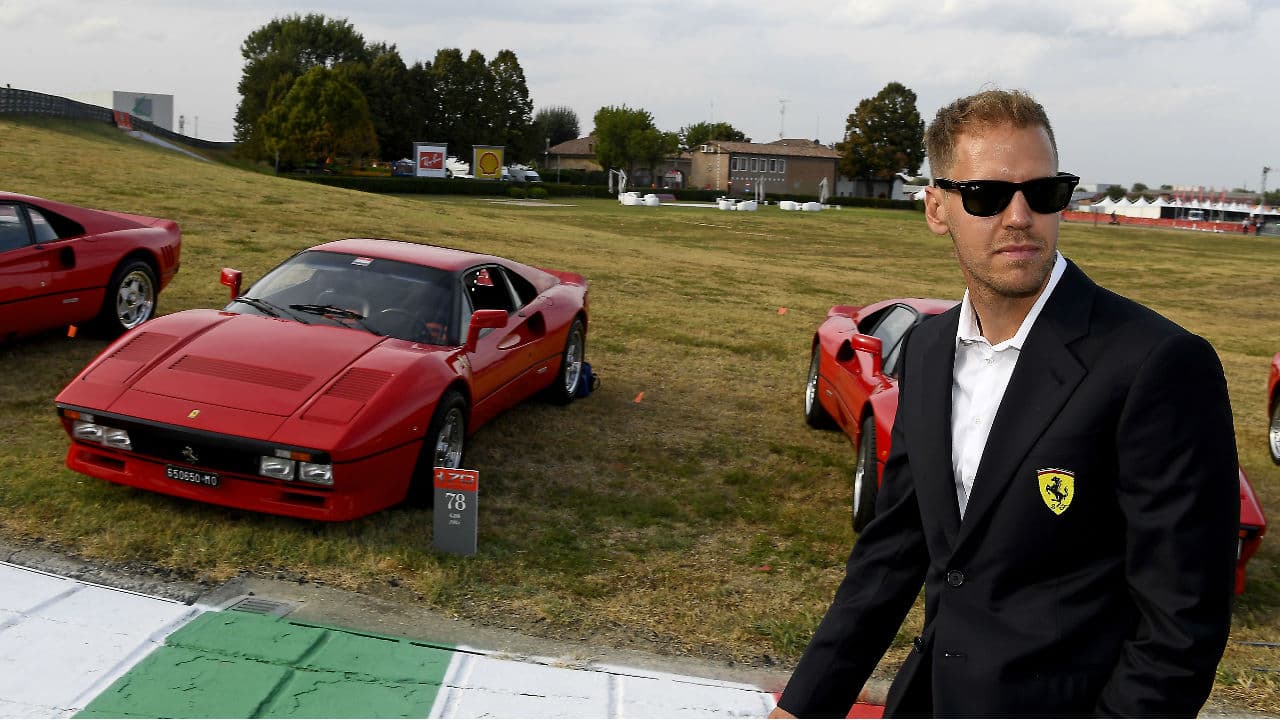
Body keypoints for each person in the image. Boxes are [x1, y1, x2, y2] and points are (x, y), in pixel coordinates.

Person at [771, 89, 1239, 718]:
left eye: (1043, 192)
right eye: (987, 195)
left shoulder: (1158, 364)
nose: (1020, 217)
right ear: (936, 208)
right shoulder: (928, 351)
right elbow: (894, 551)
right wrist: (803, 706)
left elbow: (1182, 624)